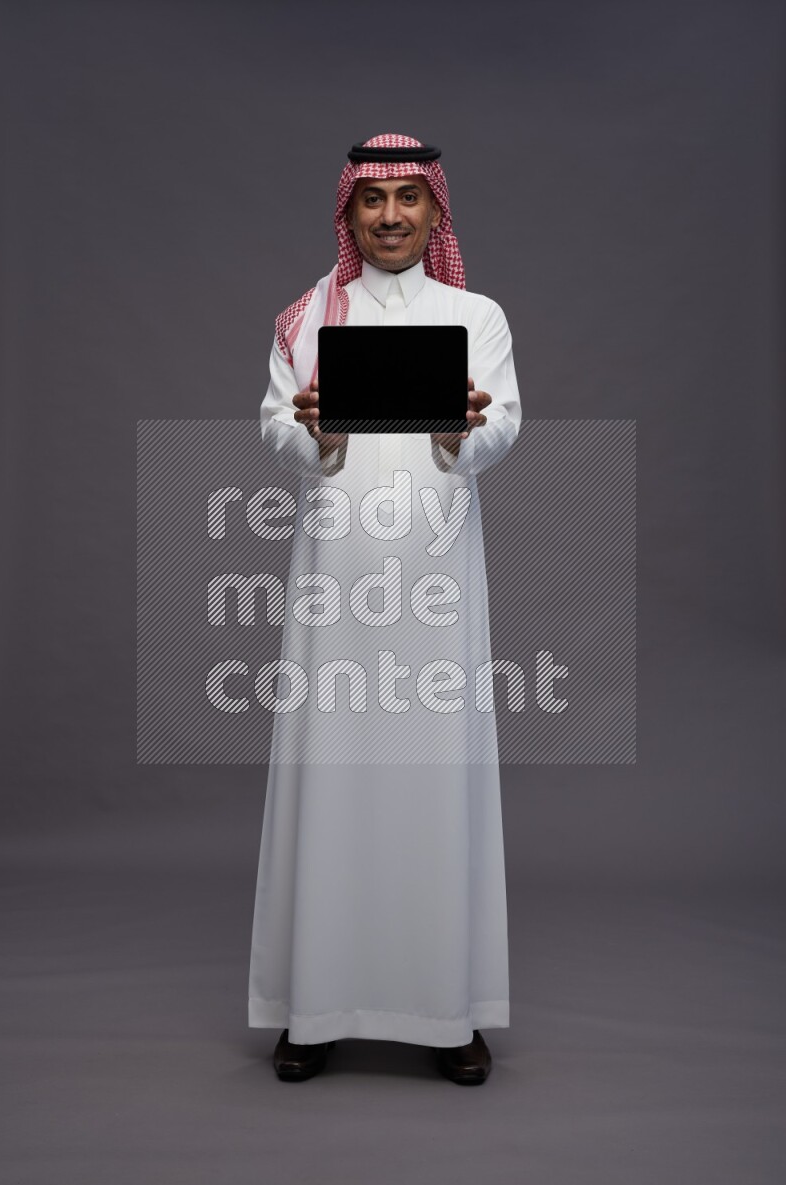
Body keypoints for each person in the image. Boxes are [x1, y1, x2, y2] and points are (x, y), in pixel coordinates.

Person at [248, 133, 522, 1085]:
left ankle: (448, 1013)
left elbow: (503, 424)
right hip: (336, 589)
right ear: (350, 212)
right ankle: (313, 1009)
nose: (393, 215)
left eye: (410, 198)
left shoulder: (475, 316)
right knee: (330, 777)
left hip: (438, 591)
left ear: (436, 211)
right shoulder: (307, 316)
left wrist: (462, 431)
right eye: (375, 199)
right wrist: (315, 433)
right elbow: (276, 426)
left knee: (437, 781)